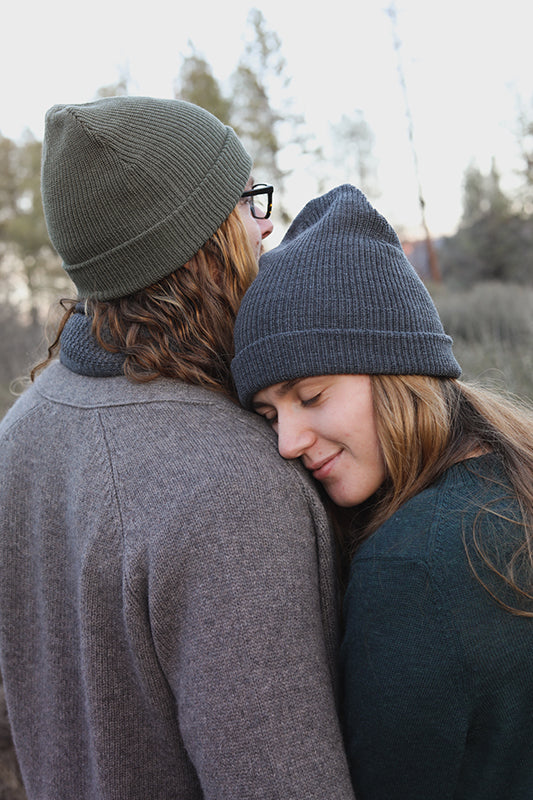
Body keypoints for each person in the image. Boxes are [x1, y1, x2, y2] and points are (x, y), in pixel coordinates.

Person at [0, 98, 356, 800]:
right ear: (201, 244)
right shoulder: (230, 485)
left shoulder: (23, 429)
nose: (265, 225)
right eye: (246, 205)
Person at [231, 183, 533, 800]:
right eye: (268, 415)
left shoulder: (413, 565)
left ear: (399, 371)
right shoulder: (512, 473)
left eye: (311, 396)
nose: (288, 440)